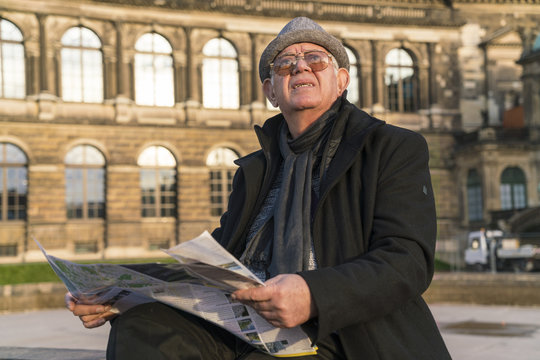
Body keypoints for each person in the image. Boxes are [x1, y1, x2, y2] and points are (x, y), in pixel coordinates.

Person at [66, 17, 451, 359]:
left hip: (342, 333)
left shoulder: (391, 147)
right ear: (271, 91)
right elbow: (215, 264)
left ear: (341, 81)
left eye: (316, 59)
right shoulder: (256, 168)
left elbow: (407, 260)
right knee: (142, 325)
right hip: (245, 324)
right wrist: (122, 291)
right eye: (285, 64)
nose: (300, 65)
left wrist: (313, 294)